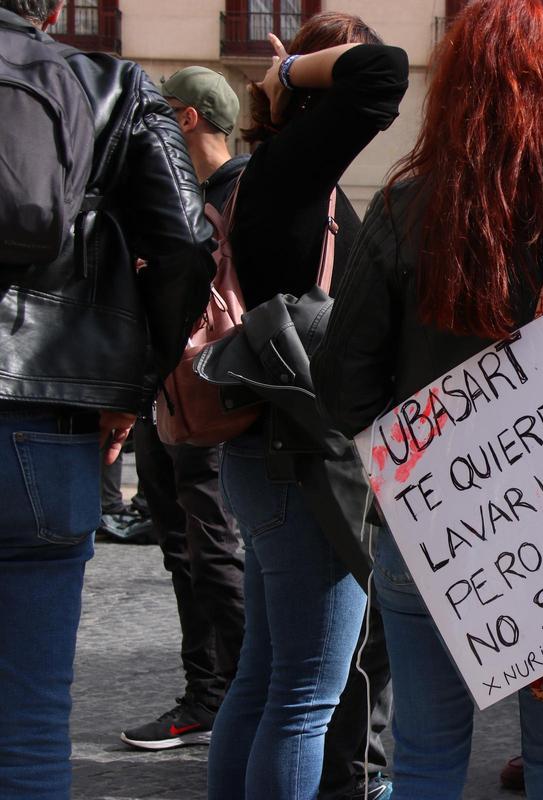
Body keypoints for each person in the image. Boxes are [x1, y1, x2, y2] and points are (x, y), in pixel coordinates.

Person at [312, 1, 543, 796]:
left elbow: (344, 388)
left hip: (439, 524)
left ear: (460, 88)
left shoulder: (408, 208)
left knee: (428, 759)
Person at [0, 1, 214, 796]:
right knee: (28, 724)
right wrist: (133, 386)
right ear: (55, 7)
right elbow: (188, 242)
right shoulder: (110, 84)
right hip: (46, 422)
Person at [204, 15, 408, 800]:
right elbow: (383, 72)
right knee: (303, 698)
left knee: (264, 680)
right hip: (300, 461)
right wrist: (288, 76)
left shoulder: (275, 173)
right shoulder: (292, 167)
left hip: (269, 452)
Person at [118, 65, 248, 753]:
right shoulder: (196, 191)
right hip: (170, 391)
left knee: (212, 549)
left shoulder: (233, 192)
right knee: (182, 548)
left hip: (203, 392)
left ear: (188, 118)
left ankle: (234, 693)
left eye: (165, 112)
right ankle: (210, 692)